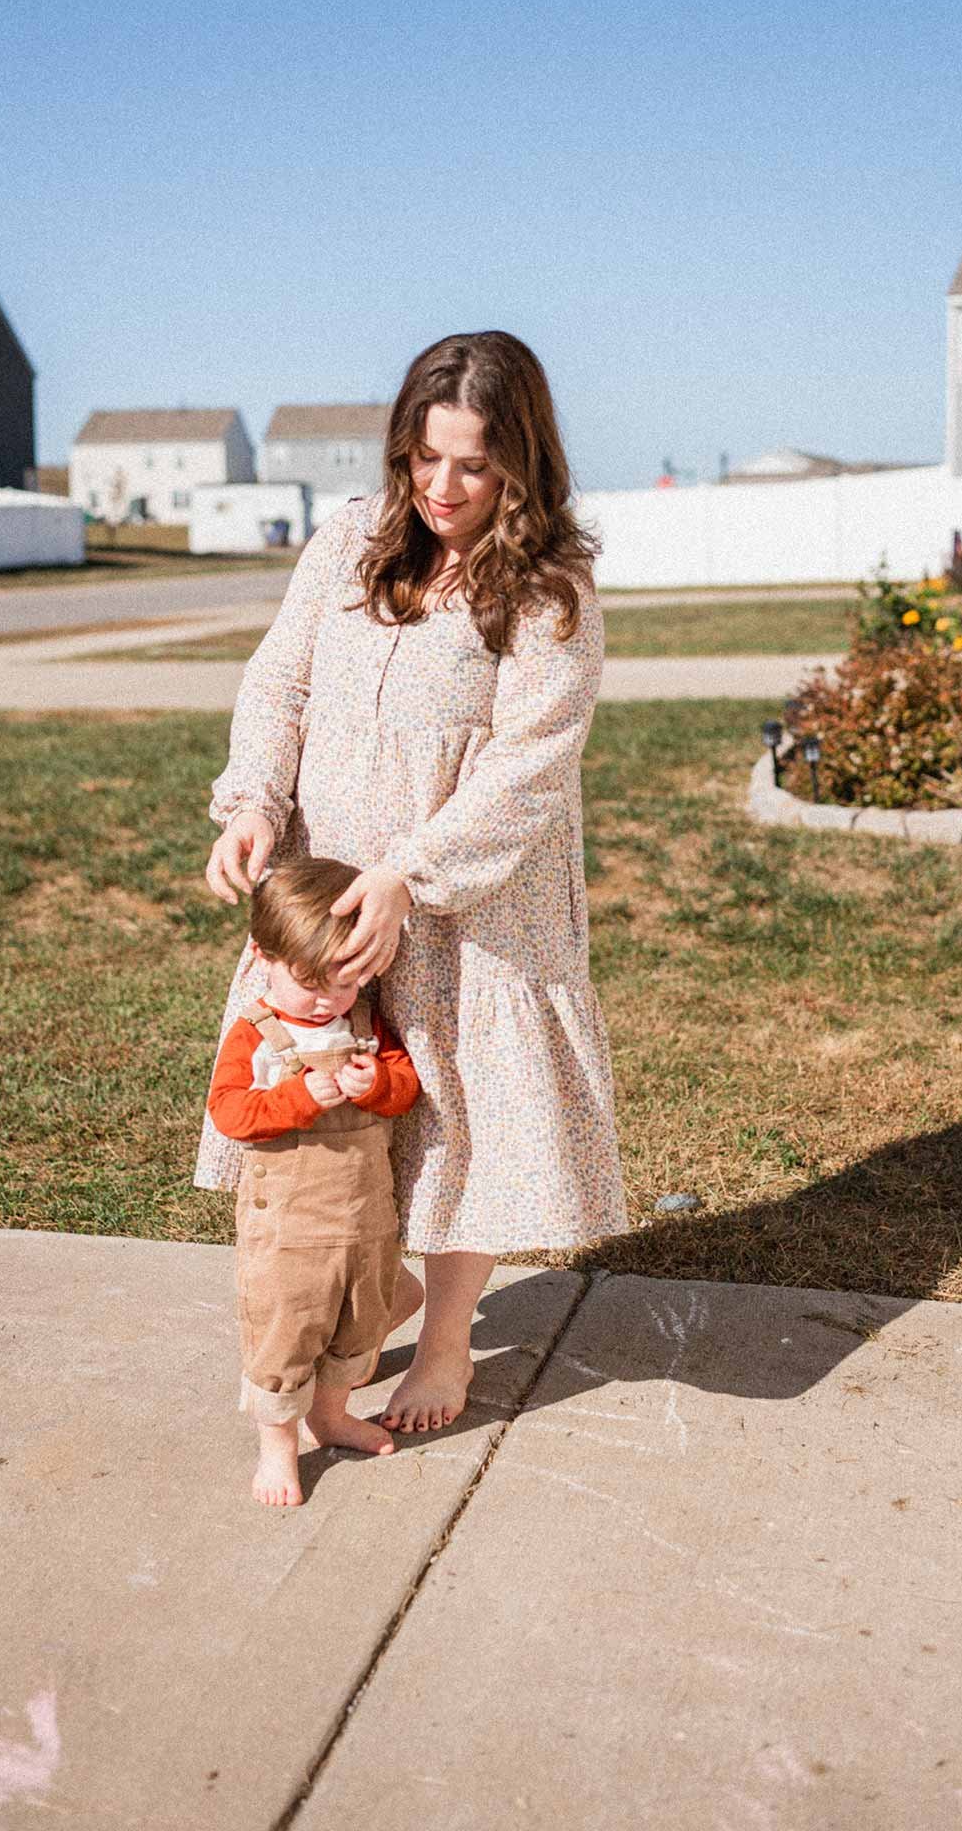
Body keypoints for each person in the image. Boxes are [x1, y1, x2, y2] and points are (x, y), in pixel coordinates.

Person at [198, 330, 628, 1435]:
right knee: (336, 1090)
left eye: (476, 465)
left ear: (523, 462)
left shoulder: (550, 589)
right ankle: (374, 1283)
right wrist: (255, 803)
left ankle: (445, 1345)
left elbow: (532, 762)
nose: (444, 487)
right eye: (425, 457)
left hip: (472, 896)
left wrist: (413, 874)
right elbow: (281, 684)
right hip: (334, 885)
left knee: (455, 1116)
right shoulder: (348, 542)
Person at [207, 855, 421, 1508]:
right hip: (288, 1232)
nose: (328, 999)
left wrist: (377, 1083)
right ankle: (278, 1447)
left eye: (345, 981)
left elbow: (405, 1088)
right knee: (287, 1333)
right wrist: (300, 1097)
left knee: (357, 1326)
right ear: (263, 957)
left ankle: (329, 1417)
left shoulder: (363, 1025)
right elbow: (230, 1113)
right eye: (310, 982)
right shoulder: (257, 1035)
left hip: (363, 1221)